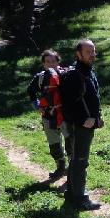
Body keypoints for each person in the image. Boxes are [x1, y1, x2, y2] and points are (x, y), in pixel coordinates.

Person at [60, 38, 103, 210]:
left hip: (88, 124)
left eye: (93, 51)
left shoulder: (88, 71)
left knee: (77, 159)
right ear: (78, 54)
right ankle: (80, 198)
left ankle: (71, 193)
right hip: (79, 126)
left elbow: (92, 98)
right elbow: (68, 104)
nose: (92, 54)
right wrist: (83, 120)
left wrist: (97, 116)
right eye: (88, 52)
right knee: (80, 160)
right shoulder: (74, 74)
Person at [26, 49, 69, 181]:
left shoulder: (66, 75)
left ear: (58, 61)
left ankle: (73, 171)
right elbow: (30, 90)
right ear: (43, 64)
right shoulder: (40, 77)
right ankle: (61, 167)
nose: (51, 64)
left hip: (65, 115)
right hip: (48, 115)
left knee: (71, 143)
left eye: (53, 61)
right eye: (48, 62)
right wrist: (37, 105)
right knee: (54, 144)